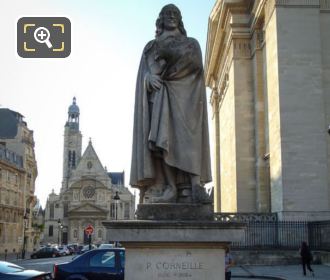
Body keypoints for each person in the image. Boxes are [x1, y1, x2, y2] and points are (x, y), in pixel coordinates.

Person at [130, 4, 212, 204]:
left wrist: (172, 69)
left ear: (180, 19)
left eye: (176, 14)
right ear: (161, 19)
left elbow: (196, 67)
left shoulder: (191, 43)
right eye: (168, 13)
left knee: (188, 138)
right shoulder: (152, 46)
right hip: (161, 96)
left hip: (187, 97)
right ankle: (170, 187)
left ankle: (193, 186)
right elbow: (145, 72)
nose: (172, 16)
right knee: (162, 139)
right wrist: (148, 78)